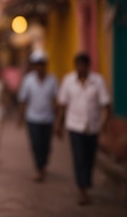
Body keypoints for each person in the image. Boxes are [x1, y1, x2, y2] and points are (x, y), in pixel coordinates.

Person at [55, 52, 111, 205]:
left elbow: (106, 105)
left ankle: (86, 182)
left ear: (88, 66)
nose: (80, 68)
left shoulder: (98, 81)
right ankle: (82, 189)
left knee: (89, 157)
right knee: (79, 157)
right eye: (78, 65)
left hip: (92, 127)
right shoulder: (68, 81)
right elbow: (62, 105)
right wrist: (58, 125)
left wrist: (104, 125)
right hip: (74, 126)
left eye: (83, 65)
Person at [17, 50, 59, 183]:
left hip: (48, 118)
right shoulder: (28, 80)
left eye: (42, 64)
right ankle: (39, 168)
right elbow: (23, 100)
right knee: (35, 144)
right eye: (37, 64)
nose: (39, 67)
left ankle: (43, 164)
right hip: (33, 118)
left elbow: (56, 100)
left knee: (46, 145)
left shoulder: (52, 80)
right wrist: (21, 117)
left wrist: (58, 120)